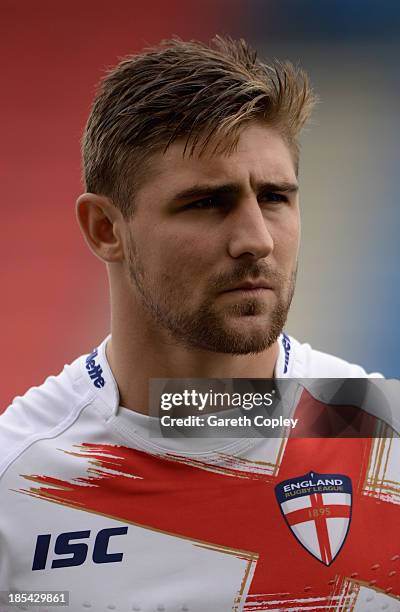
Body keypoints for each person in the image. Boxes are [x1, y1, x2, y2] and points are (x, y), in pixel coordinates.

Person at [0, 37, 398, 612]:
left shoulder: (384, 443)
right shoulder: (17, 481)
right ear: (105, 229)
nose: (256, 240)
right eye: (208, 202)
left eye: (276, 197)